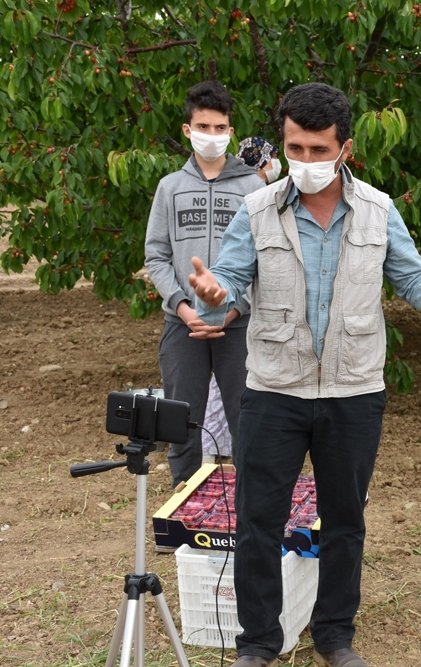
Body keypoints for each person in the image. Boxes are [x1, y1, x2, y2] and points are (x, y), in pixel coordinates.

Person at [189, 83, 421, 667]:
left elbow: (412, 278)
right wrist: (213, 293)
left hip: (354, 392)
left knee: (345, 521)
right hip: (274, 389)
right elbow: (224, 281)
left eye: (317, 150)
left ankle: (334, 634)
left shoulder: (378, 209)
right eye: (294, 149)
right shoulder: (256, 210)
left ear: (345, 148)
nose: (304, 162)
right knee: (257, 521)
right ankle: (258, 642)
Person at [144, 80, 263, 489]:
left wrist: (233, 310)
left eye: (219, 127)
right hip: (183, 326)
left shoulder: (253, 188)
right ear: (187, 129)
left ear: (231, 131)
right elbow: (156, 256)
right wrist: (183, 307)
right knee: (181, 420)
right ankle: (183, 513)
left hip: (238, 327)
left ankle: (253, 514)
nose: (211, 135)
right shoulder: (169, 188)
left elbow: (264, 261)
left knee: (248, 421)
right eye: (203, 126)